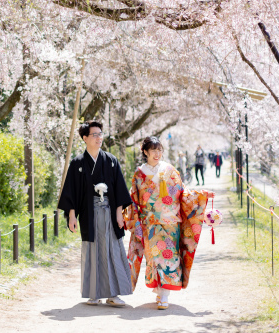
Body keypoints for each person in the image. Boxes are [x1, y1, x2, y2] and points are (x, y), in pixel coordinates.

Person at [126, 136, 214, 310]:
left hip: (170, 221)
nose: (157, 154)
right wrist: (132, 218)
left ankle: (165, 295)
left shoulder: (170, 170)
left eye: (159, 150)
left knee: (169, 256)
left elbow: (183, 193)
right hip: (149, 222)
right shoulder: (139, 173)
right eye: (153, 150)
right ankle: (159, 291)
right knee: (153, 257)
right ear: (145, 152)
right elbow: (134, 199)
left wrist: (201, 195)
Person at [58, 121, 133, 307]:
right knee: (92, 251)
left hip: (109, 210)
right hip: (88, 214)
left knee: (112, 250)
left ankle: (113, 294)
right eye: (95, 135)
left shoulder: (110, 160)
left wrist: (118, 213)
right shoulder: (77, 163)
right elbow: (72, 191)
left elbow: (119, 189)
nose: (99, 138)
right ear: (85, 138)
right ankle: (94, 293)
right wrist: (72, 216)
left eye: (100, 134)